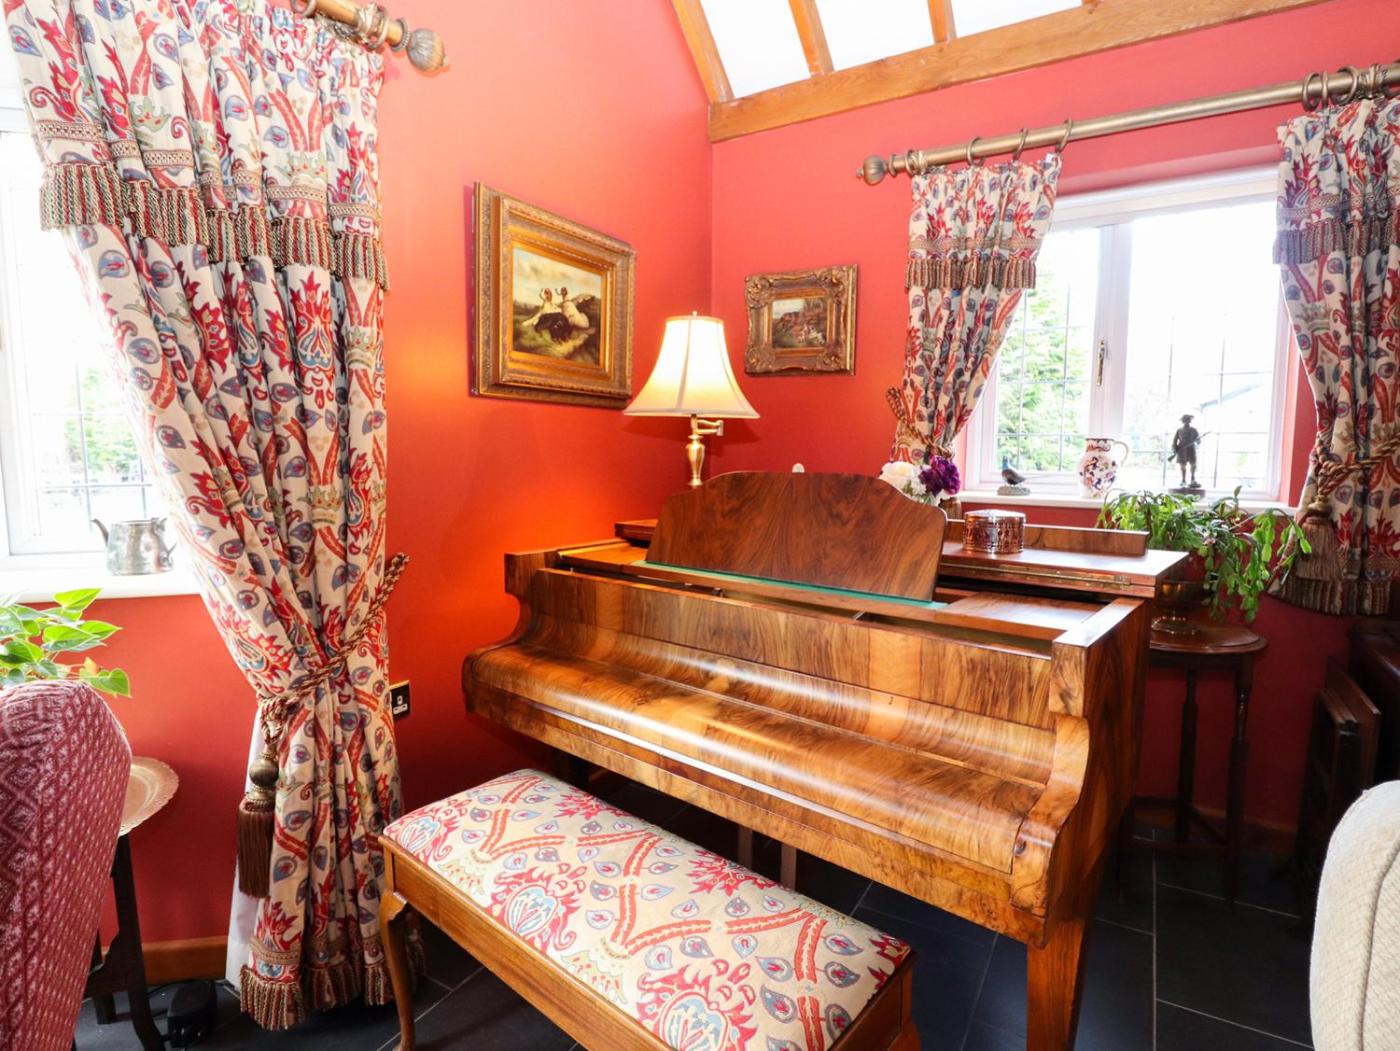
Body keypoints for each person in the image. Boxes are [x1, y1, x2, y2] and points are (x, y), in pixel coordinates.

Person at [1170, 414, 1201, 488]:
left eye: (1188, 420)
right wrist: (1175, 448)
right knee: (1182, 466)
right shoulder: (1179, 430)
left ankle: (1193, 479)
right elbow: (1174, 441)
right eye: (1186, 420)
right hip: (1182, 450)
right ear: (1183, 421)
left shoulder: (1194, 430)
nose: (1187, 421)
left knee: (1193, 464)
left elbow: (1198, 440)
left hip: (1191, 449)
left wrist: (1197, 441)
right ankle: (1183, 480)